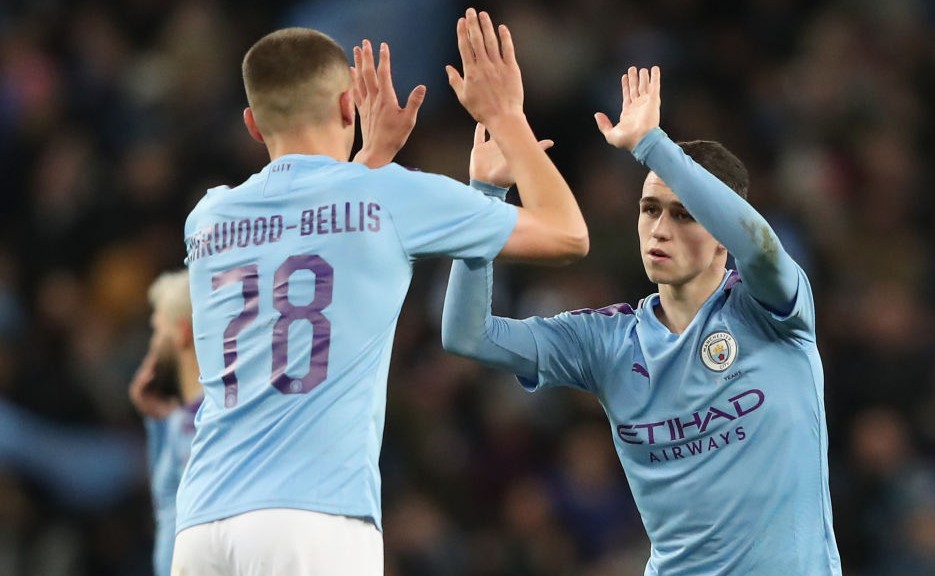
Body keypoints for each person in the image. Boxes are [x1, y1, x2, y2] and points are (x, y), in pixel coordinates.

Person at [172, 8, 588, 576]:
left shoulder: (209, 217)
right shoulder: (388, 197)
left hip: (202, 522)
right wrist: (505, 117)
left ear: (252, 123)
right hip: (315, 519)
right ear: (349, 107)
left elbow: (306, 225)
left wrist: (370, 160)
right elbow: (567, 234)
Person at [442, 65, 842, 574]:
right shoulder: (607, 341)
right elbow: (466, 335)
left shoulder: (772, 310)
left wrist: (652, 145)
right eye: (650, 209)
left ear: (721, 228)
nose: (659, 229)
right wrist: (484, 199)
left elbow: (760, 248)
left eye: (683, 214)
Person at [128, 269, 201, 576]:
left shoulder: (216, 419)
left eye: (157, 332)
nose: (153, 345)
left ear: (182, 332)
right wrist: (156, 423)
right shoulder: (179, 420)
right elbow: (166, 506)